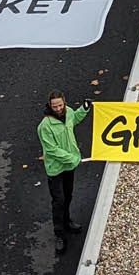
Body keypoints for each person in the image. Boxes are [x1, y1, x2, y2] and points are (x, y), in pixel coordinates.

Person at [37, 90, 90, 254]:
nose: (58, 108)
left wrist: (84, 109)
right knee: (58, 200)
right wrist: (73, 159)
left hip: (69, 166)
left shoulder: (69, 113)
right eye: (55, 106)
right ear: (50, 106)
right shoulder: (44, 127)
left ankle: (67, 222)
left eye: (60, 105)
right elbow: (51, 151)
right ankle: (59, 233)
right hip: (56, 169)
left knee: (68, 195)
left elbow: (75, 119)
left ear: (64, 103)